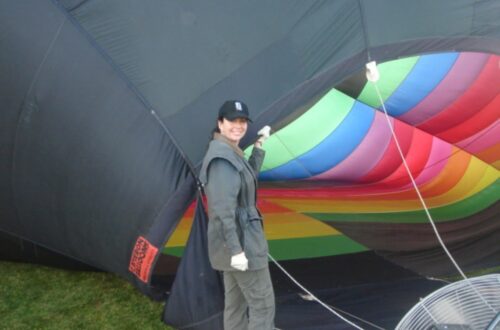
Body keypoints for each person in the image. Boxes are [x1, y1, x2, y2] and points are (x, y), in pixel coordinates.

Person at [199, 100, 274, 330]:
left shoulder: (230, 152)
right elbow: (222, 211)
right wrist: (237, 251)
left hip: (236, 245)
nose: (238, 126)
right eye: (232, 120)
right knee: (263, 306)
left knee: (236, 305)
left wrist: (258, 147)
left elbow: (245, 183)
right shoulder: (222, 159)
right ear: (220, 123)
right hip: (242, 244)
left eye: (242, 121)